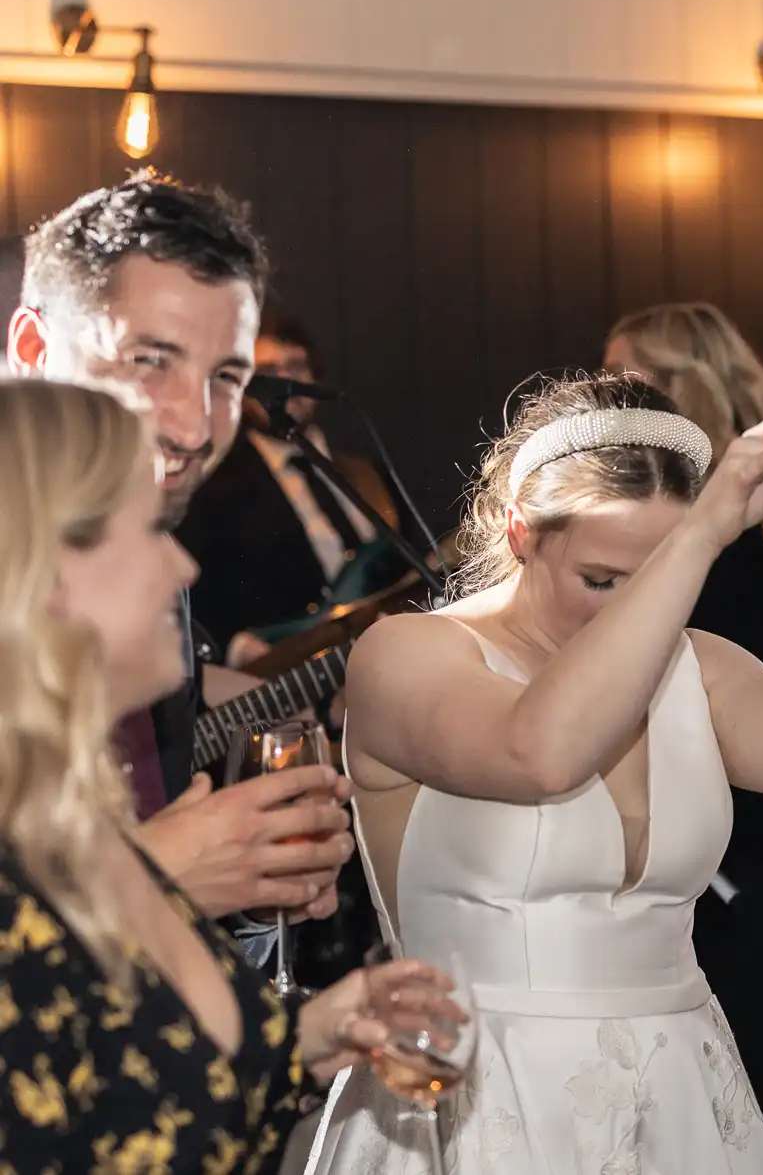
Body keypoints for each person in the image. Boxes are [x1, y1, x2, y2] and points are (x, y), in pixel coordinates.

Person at [308, 373, 763, 1173]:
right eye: (604, 580)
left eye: (666, 577)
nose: (635, 613)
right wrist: (697, 539)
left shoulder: (696, 667)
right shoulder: (409, 656)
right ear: (518, 531)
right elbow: (540, 753)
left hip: (679, 1096)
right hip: (478, 1095)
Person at [0, 378, 449, 1172]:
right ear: (47, 570)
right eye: (149, 530)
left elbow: (147, 1088)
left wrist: (318, 1033)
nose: (182, 566)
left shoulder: (70, 816)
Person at [6, 172, 352, 929]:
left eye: (226, 376)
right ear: (31, 346)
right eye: (149, 360)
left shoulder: (149, 553)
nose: (195, 426)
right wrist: (162, 877)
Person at [603, 302, 763, 1175]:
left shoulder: (756, 510)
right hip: (681, 828)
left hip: (760, 828)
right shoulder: (653, 520)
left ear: (690, 384)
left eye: (636, 378)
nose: (615, 398)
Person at [179, 310, 410, 671]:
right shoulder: (211, 489)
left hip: (391, 656)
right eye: (268, 373)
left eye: (296, 366)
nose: (285, 382)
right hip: (295, 673)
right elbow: (193, 595)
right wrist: (236, 647)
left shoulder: (363, 473)